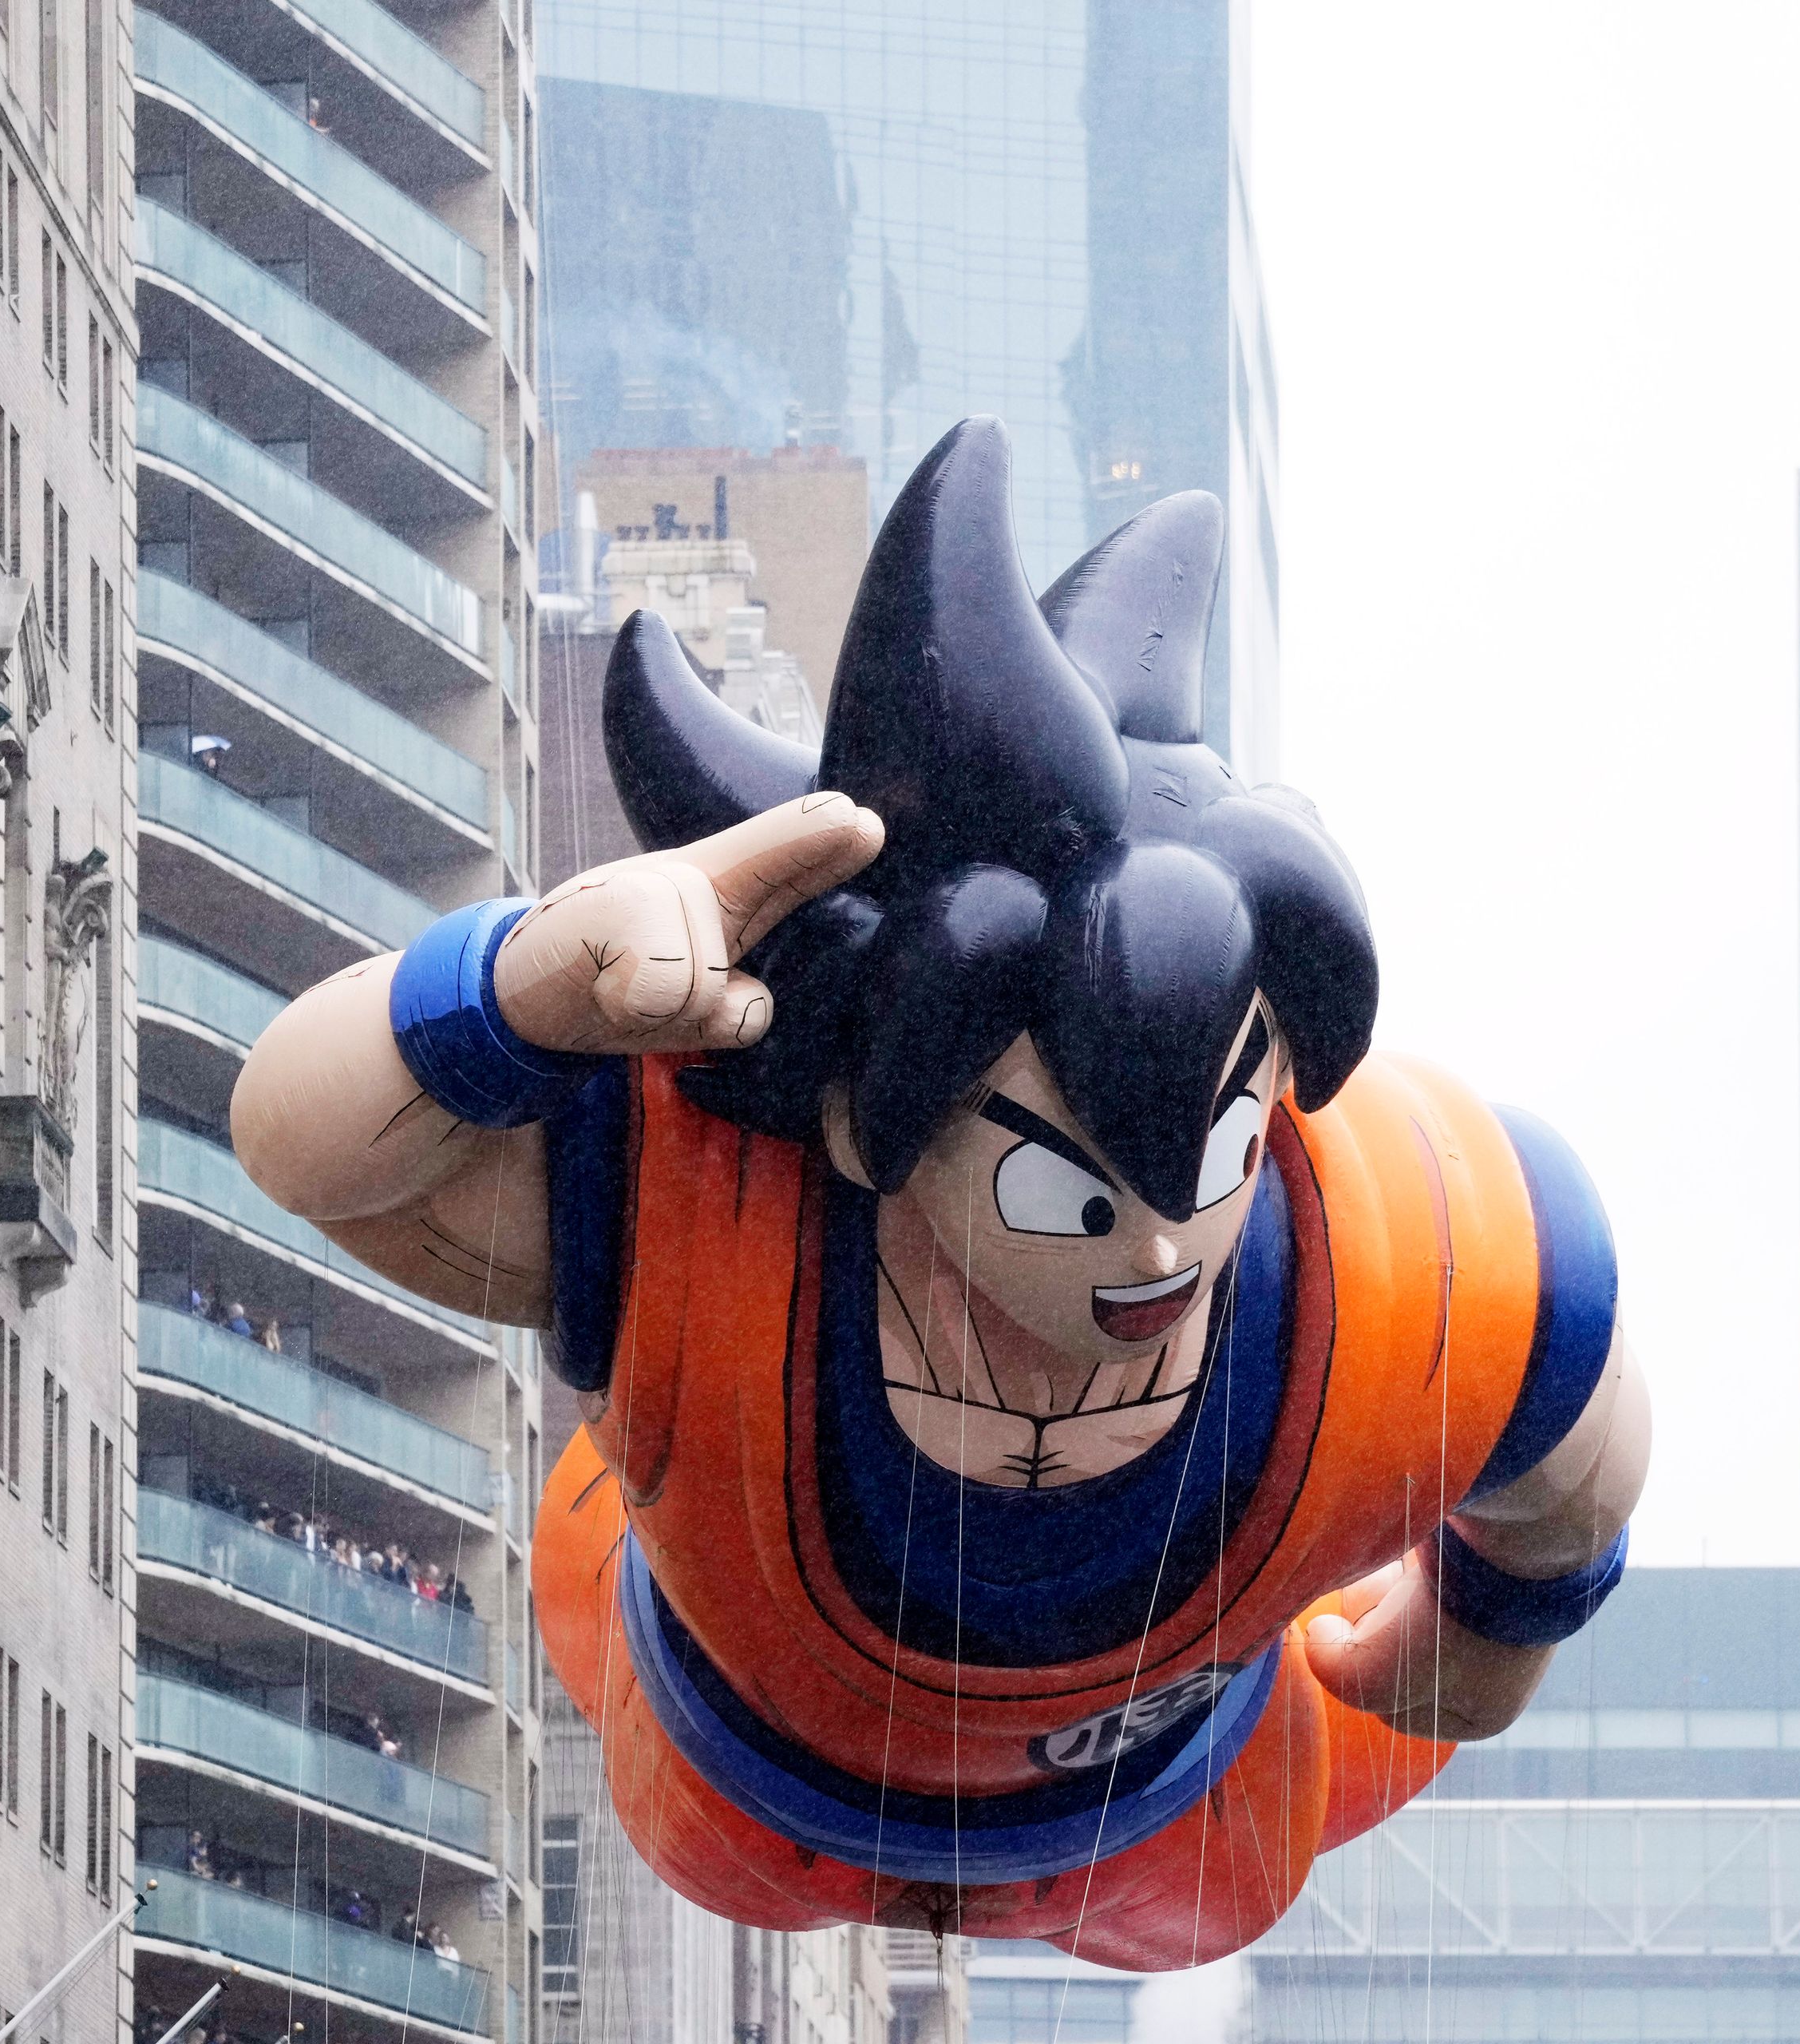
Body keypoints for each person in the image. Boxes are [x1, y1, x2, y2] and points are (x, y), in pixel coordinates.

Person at [231, 421, 1646, 1967]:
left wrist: (1476, 1640)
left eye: (1224, 1140)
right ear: (858, 1113)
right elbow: (307, 1134)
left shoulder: (1432, 1244)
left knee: (1228, 1861)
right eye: (1058, 1184)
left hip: (1198, 1812)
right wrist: (517, 981)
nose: (1163, 1244)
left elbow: (1580, 1455)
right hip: (738, 1784)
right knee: (608, 1580)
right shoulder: (695, 1200)